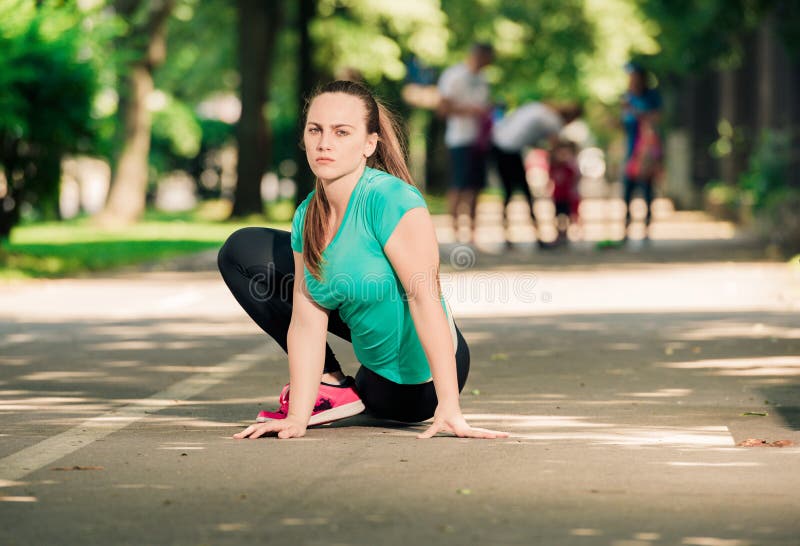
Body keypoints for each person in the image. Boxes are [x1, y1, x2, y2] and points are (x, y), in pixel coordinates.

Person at [218, 80, 508, 441]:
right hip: (371, 358)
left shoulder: (392, 201)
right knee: (243, 248)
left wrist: (449, 406)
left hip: (419, 387)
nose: (325, 143)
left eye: (342, 132)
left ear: (369, 143)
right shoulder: (307, 215)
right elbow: (307, 322)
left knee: (397, 364)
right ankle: (332, 387)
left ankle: (379, 398)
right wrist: (297, 418)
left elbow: (425, 300)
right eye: (315, 130)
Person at [490, 100, 582, 247]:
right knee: (524, 194)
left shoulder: (539, 108)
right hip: (508, 150)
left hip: (498, 143)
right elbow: (556, 152)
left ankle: (508, 236)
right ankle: (536, 236)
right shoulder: (554, 122)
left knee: (508, 194)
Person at [437, 43, 494, 244]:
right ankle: (454, 232)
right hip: (459, 138)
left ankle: (471, 233)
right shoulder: (454, 76)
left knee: (475, 187)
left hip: (479, 140)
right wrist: (469, 111)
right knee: (459, 185)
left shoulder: (483, 79)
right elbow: (442, 109)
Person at [621, 62, 662, 241]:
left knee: (647, 188)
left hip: (646, 150)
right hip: (631, 150)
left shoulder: (651, 97)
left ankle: (646, 226)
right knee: (627, 189)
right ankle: (626, 226)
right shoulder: (627, 97)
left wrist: (636, 112)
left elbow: (656, 119)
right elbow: (624, 123)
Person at [548, 139, 581, 245]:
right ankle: (559, 234)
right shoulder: (554, 166)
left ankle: (565, 234)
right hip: (557, 196)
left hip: (567, 197)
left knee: (567, 216)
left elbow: (576, 178)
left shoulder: (569, 167)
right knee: (558, 216)